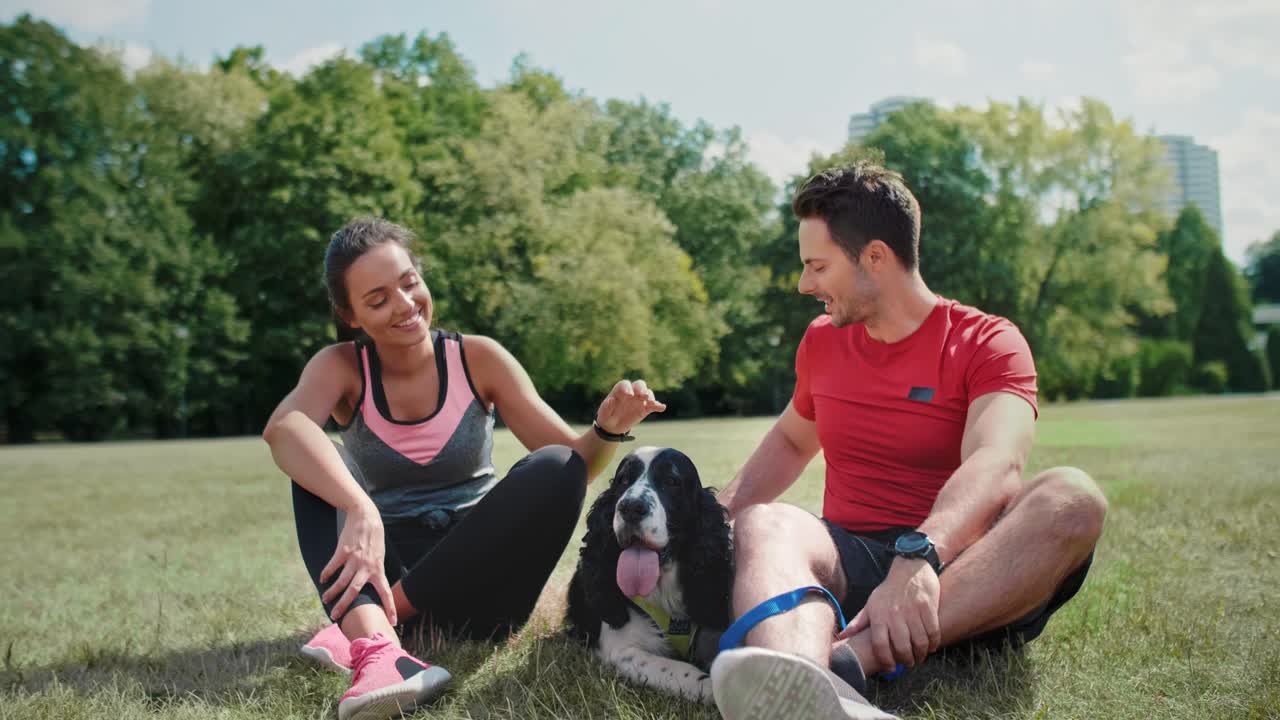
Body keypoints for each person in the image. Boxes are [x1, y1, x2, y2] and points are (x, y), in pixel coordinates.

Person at [708, 163, 1108, 720]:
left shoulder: (989, 342)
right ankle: (792, 678)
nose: (805, 285)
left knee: (1074, 497)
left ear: (875, 257)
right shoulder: (823, 342)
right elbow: (792, 442)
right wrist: (714, 516)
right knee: (765, 521)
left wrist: (917, 559)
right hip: (856, 562)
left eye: (817, 267)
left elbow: (998, 461)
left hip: (968, 580)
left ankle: (847, 663)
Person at [262, 217, 665, 720]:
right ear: (350, 316)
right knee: (316, 465)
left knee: (554, 464)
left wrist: (606, 429)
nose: (406, 305)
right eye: (378, 299)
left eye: (410, 282)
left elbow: (572, 470)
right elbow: (284, 429)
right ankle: (383, 655)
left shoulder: (478, 358)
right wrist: (357, 504)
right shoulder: (340, 366)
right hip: (383, 566)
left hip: (486, 586)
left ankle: (375, 631)